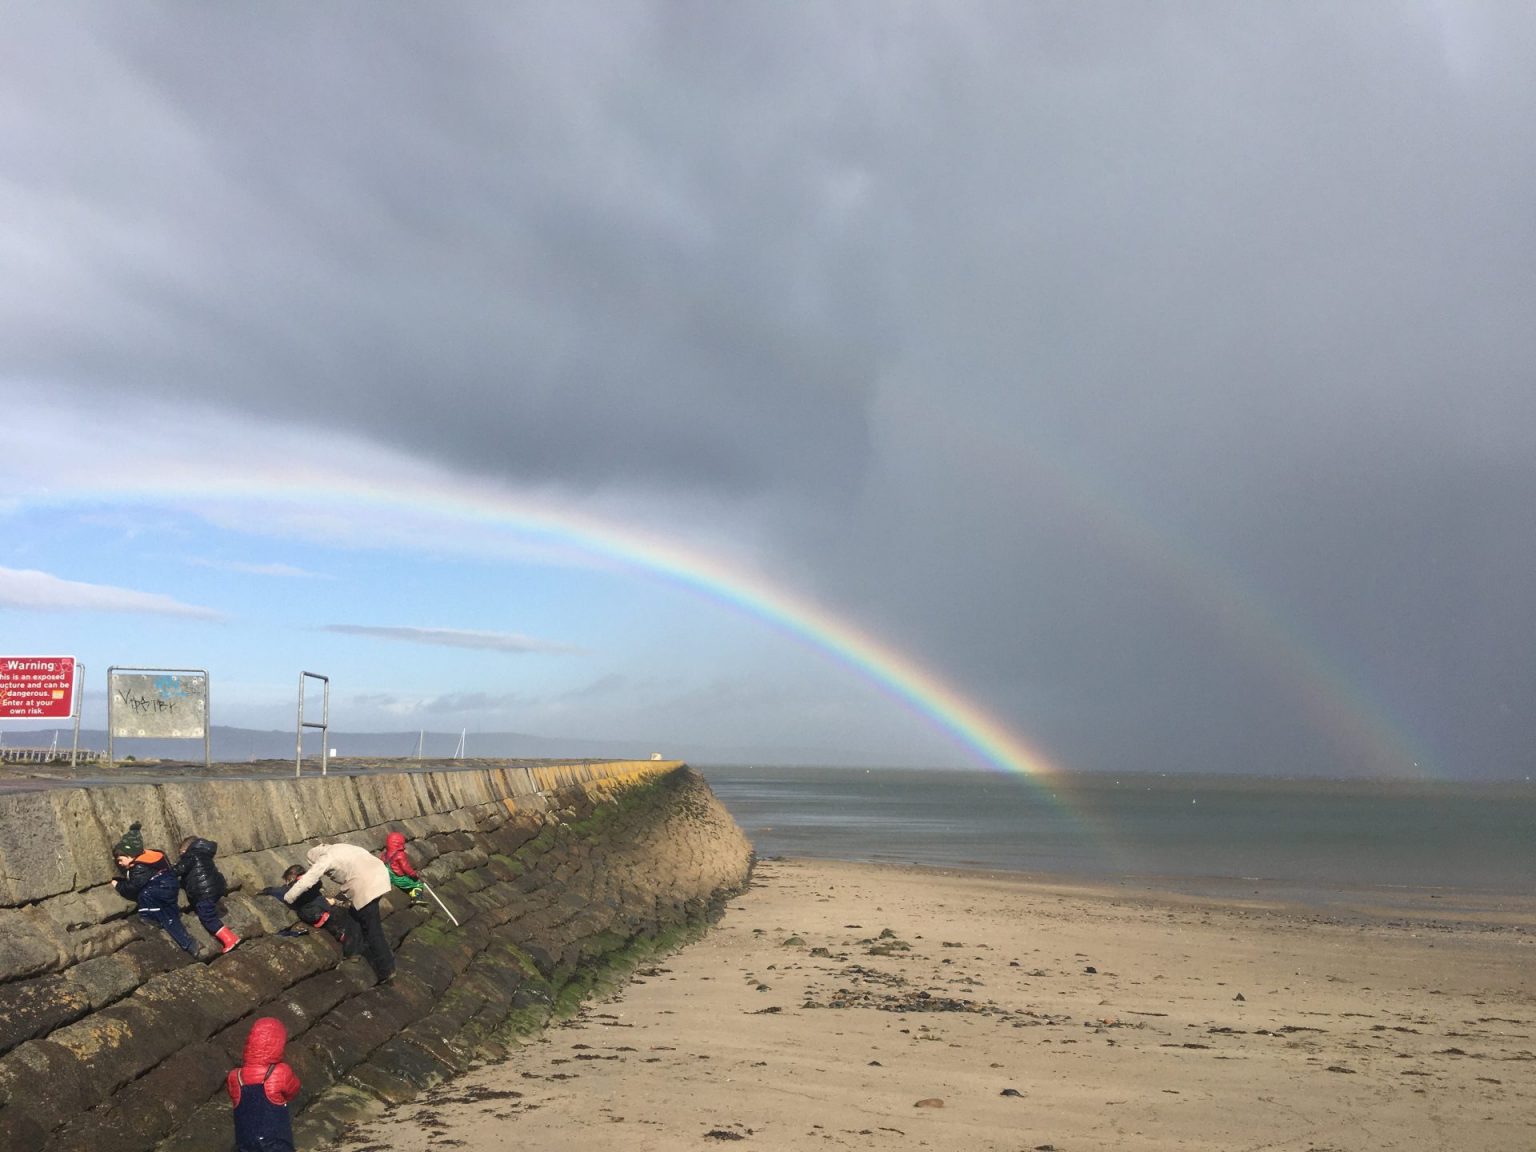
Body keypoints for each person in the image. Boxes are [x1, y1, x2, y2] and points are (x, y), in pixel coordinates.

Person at [284, 841, 395, 982]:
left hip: (367, 883)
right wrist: (337, 899)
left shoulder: (326, 858)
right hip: (379, 874)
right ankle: (352, 952)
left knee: (373, 929)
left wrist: (288, 897)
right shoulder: (340, 847)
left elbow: (308, 880)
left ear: (315, 859)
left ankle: (387, 969)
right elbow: (353, 871)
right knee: (355, 915)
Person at [111, 821, 199, 957]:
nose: (120, 864)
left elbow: (133, 887)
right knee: (170, 913)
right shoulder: (154, 854)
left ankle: (152, 919)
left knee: (149, 901)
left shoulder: (138, 867)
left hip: (160, 889)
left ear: (130, 856)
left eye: (121, 860)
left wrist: (118, 885)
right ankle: (188, 941)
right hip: (170, 885)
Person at [227, 1016, 300, 1152]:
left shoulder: (235, 1076)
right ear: (278, 1044)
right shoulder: (280, 1072)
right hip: (275, 1140)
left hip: (245, 1140)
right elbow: (294, 1090)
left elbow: (236, 1098)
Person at [262, 864, 360, 956]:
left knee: (303, 912)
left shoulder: (295, 887)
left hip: (315, 912)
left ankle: (340, 934)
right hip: (325, 905)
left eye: (286, 880)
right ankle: (345, 937)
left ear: (291, 877)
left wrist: (266, 891)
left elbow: (280, 892)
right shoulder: (314, 882)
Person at [176, 834, 241, 954]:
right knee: (209, 910)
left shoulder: (190, 855)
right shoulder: (204, 854)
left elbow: (180, 869)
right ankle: (230, 937)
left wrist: (168, 872)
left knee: (207, 917)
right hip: (214, 888)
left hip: (204, 891)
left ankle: (230, 938)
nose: (180, 856)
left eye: (181, 853)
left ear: (186, 849)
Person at [380, 830, 427, 905]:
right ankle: (416, 898)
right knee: (418, 884)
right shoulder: (400, 855)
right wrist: (414, 874)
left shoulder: (384, 854)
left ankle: (411, 893)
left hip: (389, 876)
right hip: (397, 878)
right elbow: (405, 868)